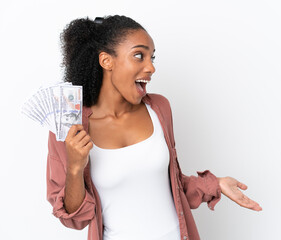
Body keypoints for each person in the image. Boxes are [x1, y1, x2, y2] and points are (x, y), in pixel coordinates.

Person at [46, 15, 262, 240]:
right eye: (139, 55)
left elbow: (173, 186)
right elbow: (74, 218)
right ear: (106, 61)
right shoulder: (70, 128)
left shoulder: (159, 108)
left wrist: (215, 184)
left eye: (152, 57)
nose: (150, 67)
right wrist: (74, 168)